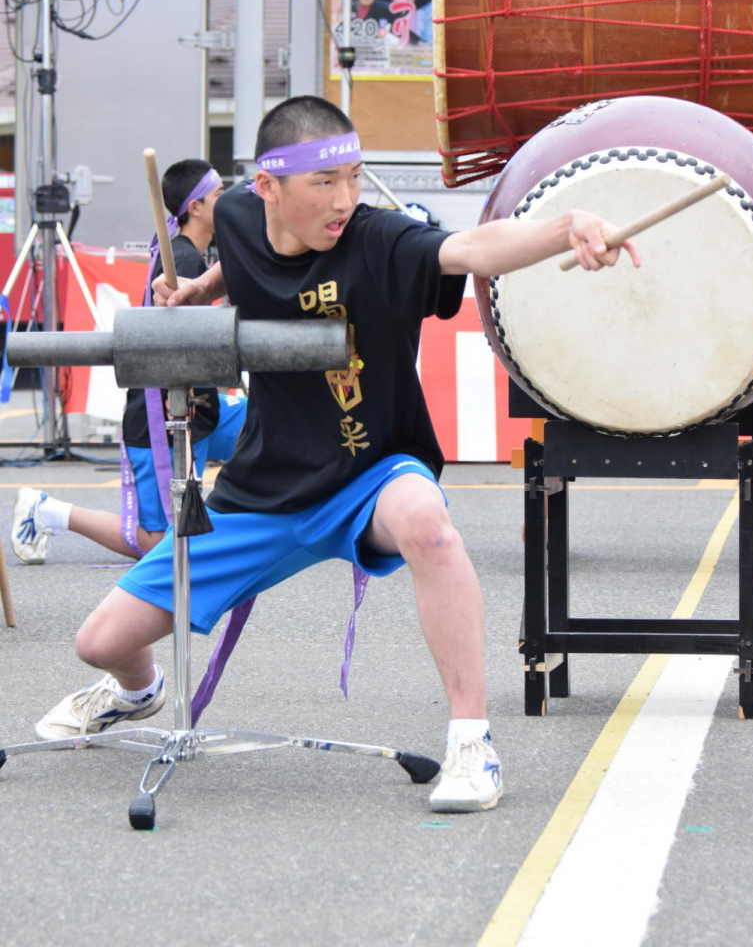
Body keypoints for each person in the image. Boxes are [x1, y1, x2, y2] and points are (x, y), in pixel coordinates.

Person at [31, 97, 639, 813]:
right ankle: (137, 692)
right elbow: (243, 261)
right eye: (324, 182)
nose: (345, 198)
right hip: (262, 488)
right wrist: (200, 288)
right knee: (100, 641)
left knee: (427, 522)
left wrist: (566, 227)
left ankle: (471, 743)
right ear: (268, 187)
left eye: (353, 176)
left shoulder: (379, 239)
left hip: (368, 474)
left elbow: (471, 249)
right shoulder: (236, 214)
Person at [10, 158, 246, 564]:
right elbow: (173, 346)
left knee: (272, 427)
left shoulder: (188, 255)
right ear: (195, 207)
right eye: (219, 195)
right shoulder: (182, 260)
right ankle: (47, 510)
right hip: (167, 415)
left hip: (202, 408)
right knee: (157, 544)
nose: (226, 204)